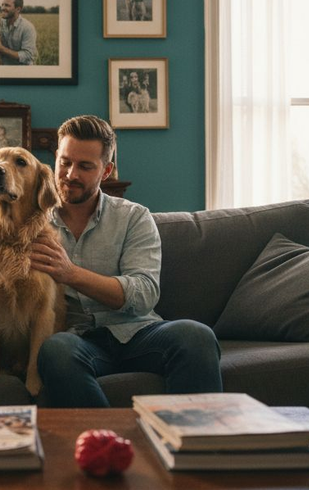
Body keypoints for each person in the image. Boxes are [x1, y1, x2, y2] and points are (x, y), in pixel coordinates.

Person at [31, 115, 222, 407]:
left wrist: (71, 273)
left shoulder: (134, 217)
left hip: (138, 333)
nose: (70, 174)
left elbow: (144, 293)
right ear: (55, 157)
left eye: (85, 166)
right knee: (56, 350)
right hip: (78, 339)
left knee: (195, 335)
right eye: (65, 162)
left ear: (106, 171)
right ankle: (106, 447)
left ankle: (194, 448)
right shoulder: (33, 223)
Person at [0, 0, 37, 65]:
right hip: (2, 67)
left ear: (18, 9)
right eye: (2, 5)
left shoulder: (27, 28)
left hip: (21, 69)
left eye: (7, 5)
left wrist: (1, 49)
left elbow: (28, 55)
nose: (2, 8)